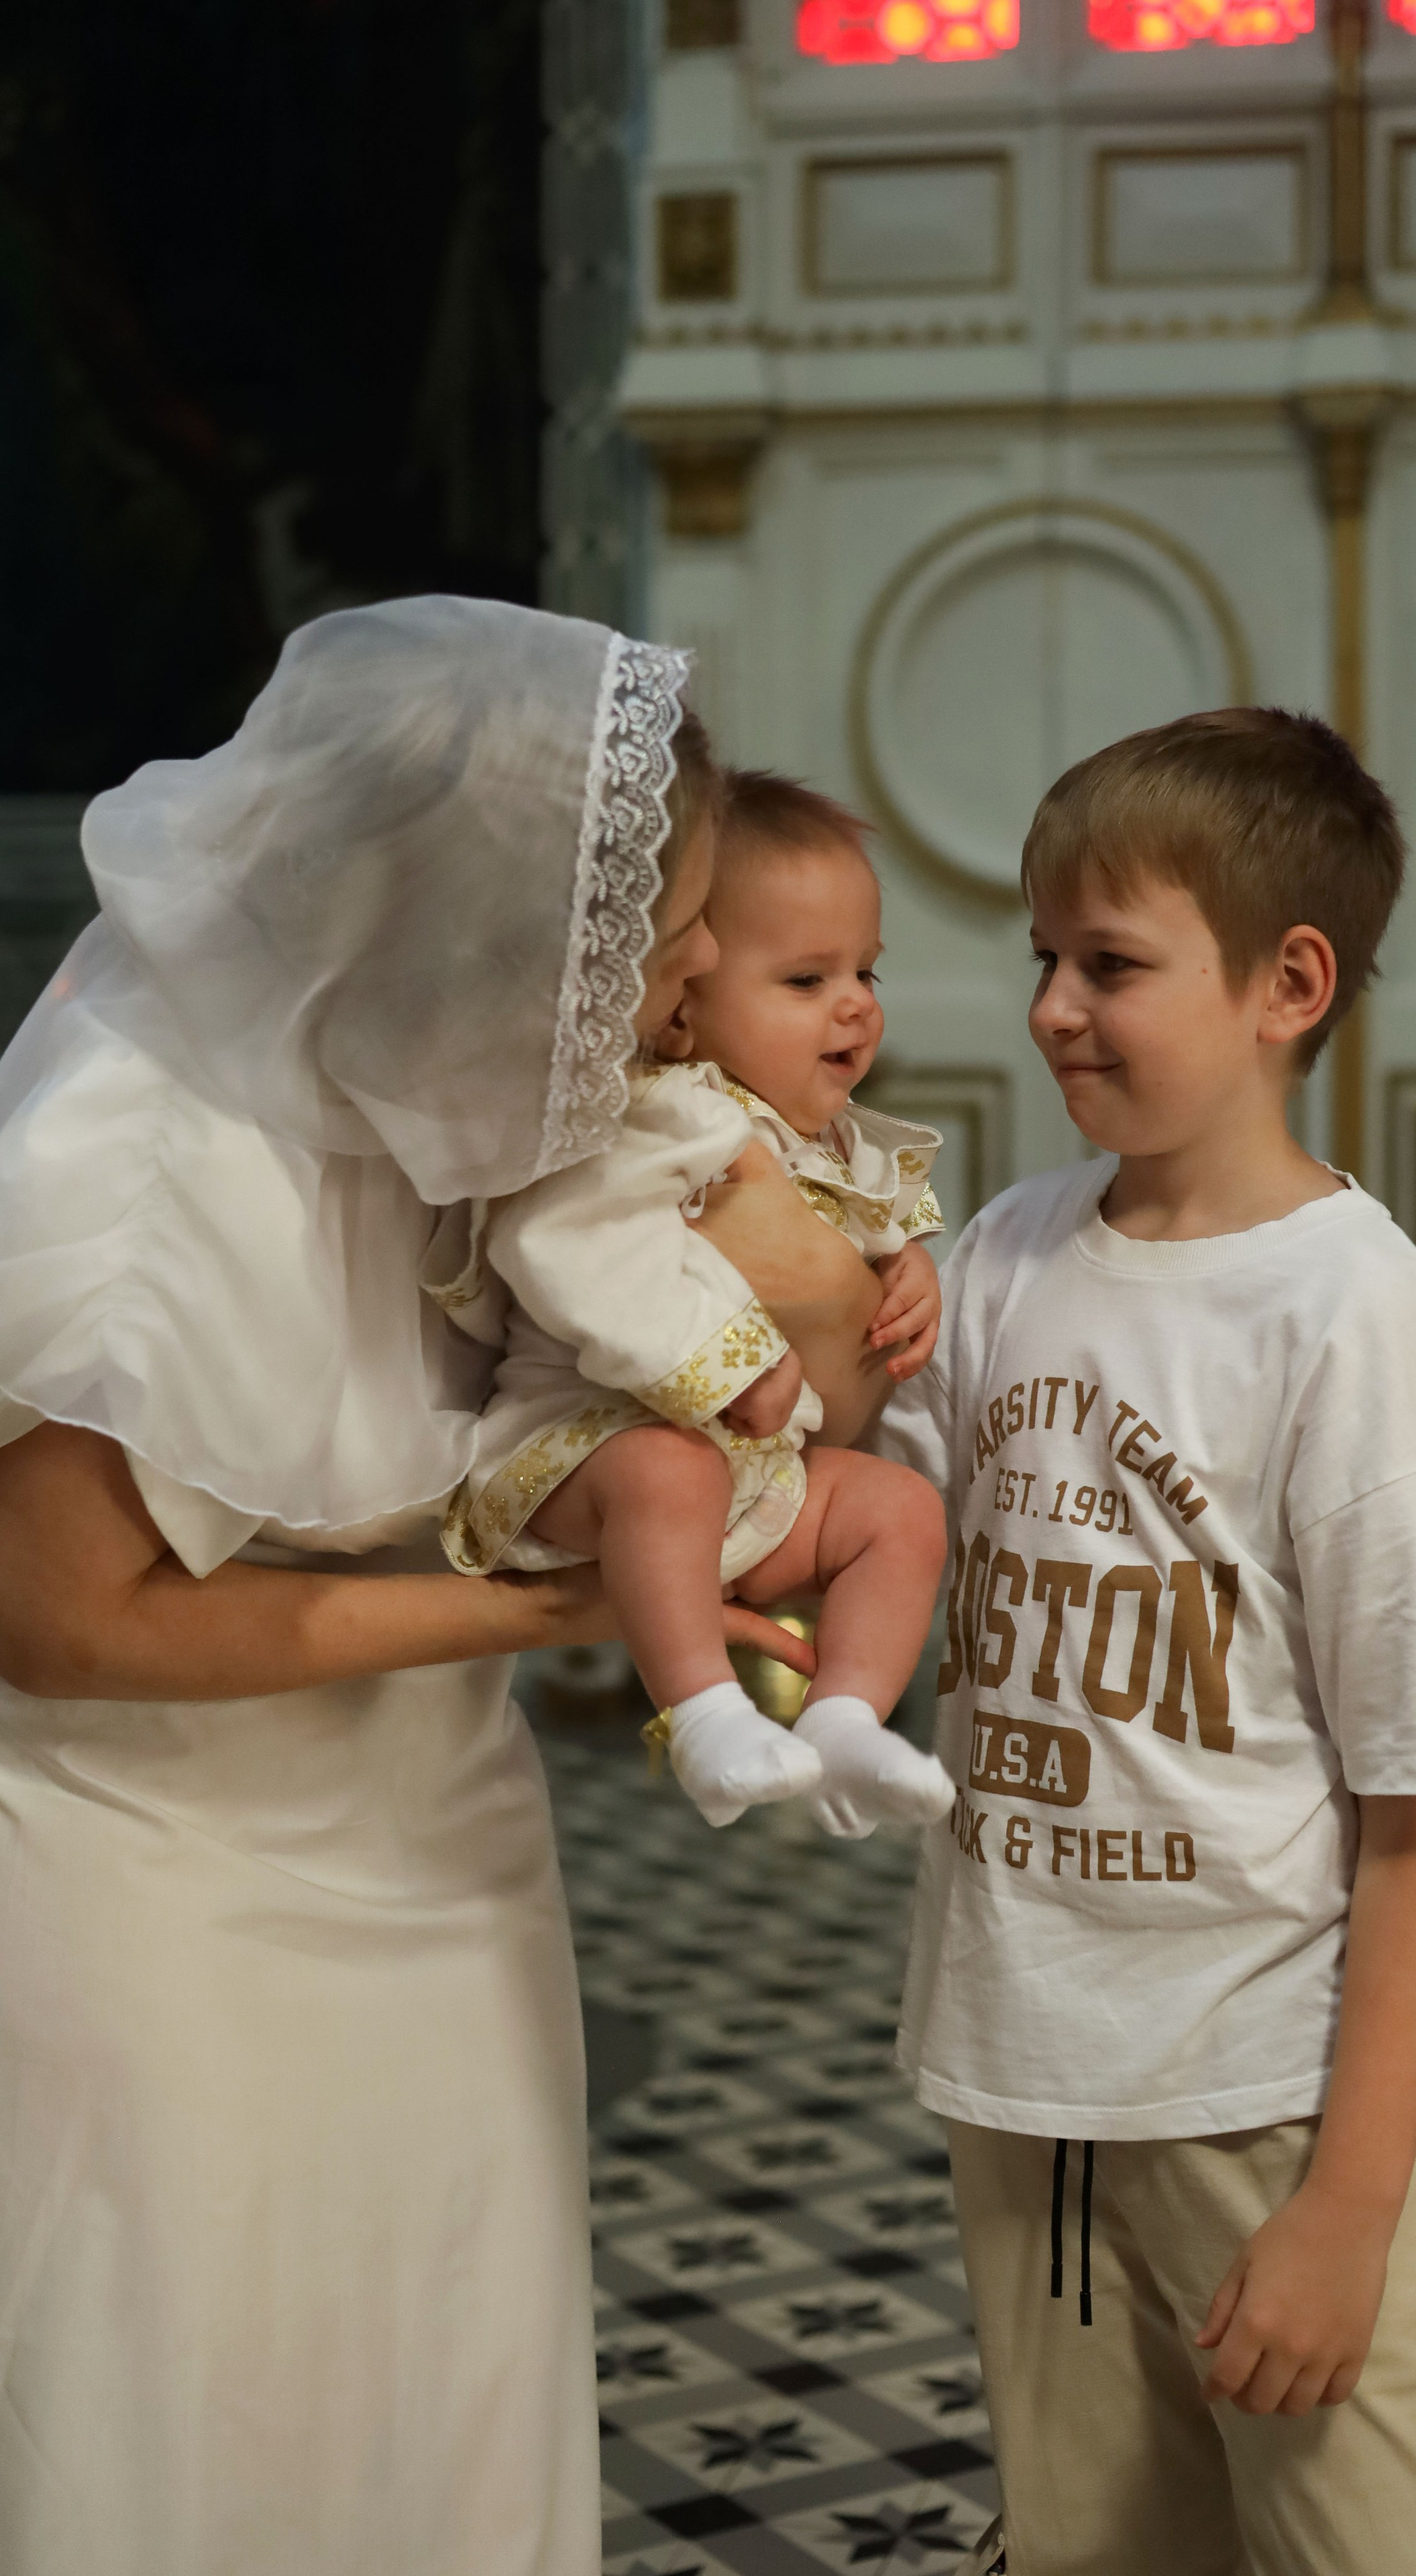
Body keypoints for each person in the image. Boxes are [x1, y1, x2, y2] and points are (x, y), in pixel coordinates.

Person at [0, 599, 869, 2576]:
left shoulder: (461, 1081)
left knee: (445, 2389)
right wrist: (554, 1618)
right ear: (483, 910)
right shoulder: (126, 1167)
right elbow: (60, 1620)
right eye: (660, 956)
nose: (684, 997)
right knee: (197, 2415)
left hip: (434, 1837)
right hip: (165, 1898)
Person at [879, 710, 1416, 2576]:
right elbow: (880, 1535)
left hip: (1266, 2103)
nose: (1055, 1008)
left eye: (1113, 964)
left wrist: (1350, 2206)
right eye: (1043, 960)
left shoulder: (1352, 1322)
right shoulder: (1003, 1252)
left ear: (1285, 984)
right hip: (1022, 2079)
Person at [440, 766, 955, 1842]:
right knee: (670, 1469)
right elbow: (568, 1241)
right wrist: (730, 1361)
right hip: (584, 1453)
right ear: (683, 1002)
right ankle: (706, 1715)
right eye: (807, 979)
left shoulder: (823, 1135)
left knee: (900, 1510)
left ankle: (847, 1718)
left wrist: (909, 1274)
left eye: (865, 969)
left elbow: (858, 1237)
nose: (856, 1003)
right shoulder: (659, 1117)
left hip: (752, 1484)